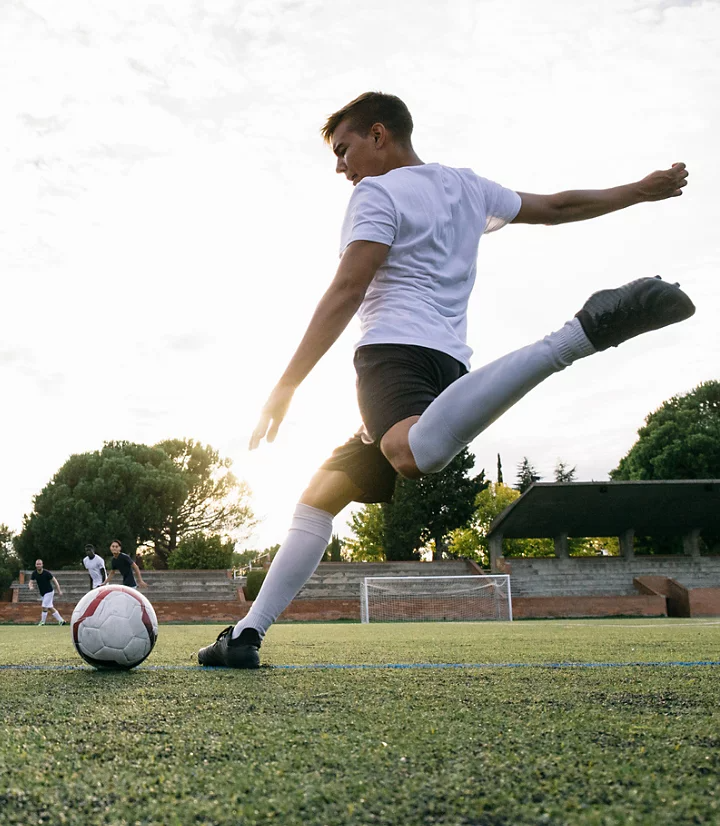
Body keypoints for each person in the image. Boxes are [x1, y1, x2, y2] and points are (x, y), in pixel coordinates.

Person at [198, 91, 695, 668]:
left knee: (411, 452)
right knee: (320, 496)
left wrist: (286, 384)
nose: (341, 167)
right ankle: (247, 636)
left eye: (343, 149)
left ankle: (574, 337)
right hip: (448, 368)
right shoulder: (468, 186)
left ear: (378, 135)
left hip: (391, 356)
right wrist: (639, 190)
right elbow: (557, 207)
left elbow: (347, 290)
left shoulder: (375, 193)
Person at [28, 559, 65, 626]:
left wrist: (59, 590)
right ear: (35, 565)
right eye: (37, 564)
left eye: (40, 564)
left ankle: (42, 622)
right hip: (43, 593)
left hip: (49, 592)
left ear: (42, 565)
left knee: (44, 606)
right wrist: (30, 587)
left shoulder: (46, 573)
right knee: (50, 607)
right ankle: (61, 621)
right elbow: (31, 582)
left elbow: (55, 581)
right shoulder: (34, 573)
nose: (38, 565)